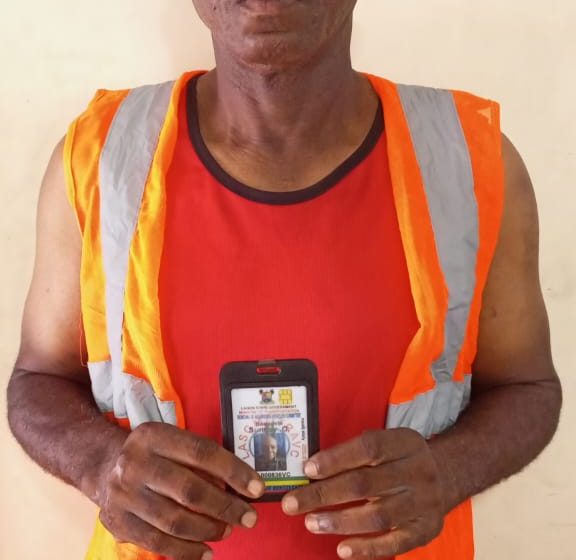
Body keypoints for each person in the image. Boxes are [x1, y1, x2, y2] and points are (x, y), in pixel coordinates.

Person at [7, 1, 562, 559]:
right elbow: (38, 378)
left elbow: (527, 387)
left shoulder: (470, 163)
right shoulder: (99, 160)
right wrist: (101, 465)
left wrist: (449, 470)